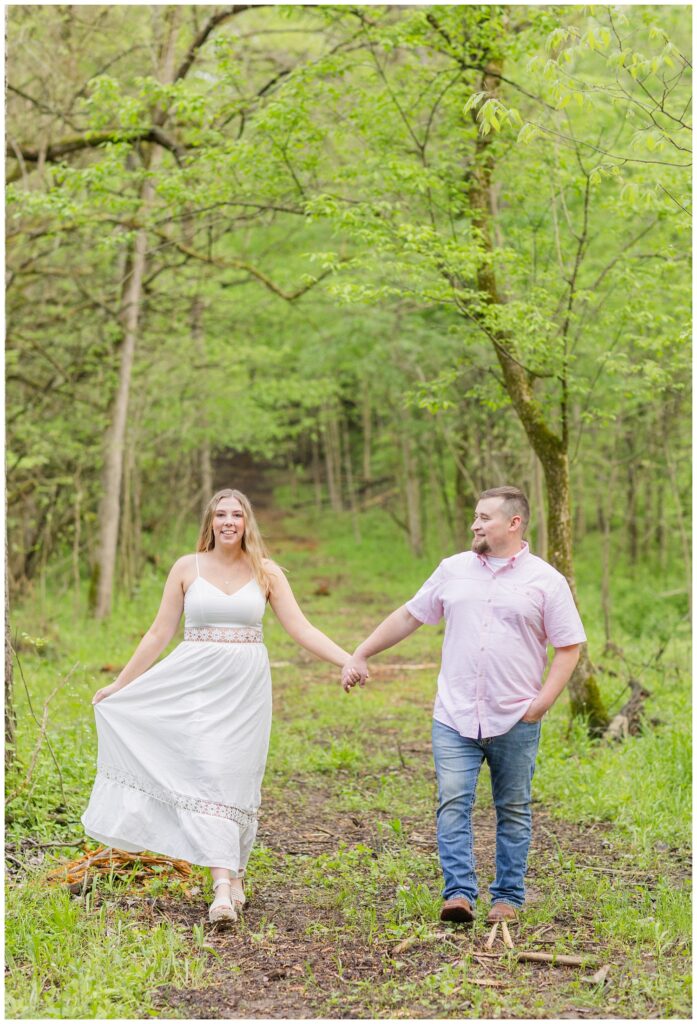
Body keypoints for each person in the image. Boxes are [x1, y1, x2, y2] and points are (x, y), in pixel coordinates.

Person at [83, 488, 362, 927]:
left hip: (245, 690)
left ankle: (235, 874)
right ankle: (220, 889)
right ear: (210, 523)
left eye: (236, 514)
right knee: (208, 772)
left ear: (247, 522)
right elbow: (158, 632)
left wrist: (347, 658)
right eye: (220, 515)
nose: (228, 521)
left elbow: (300, 627)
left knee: (236, 778)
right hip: (193, 686)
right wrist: (121, 682)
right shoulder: (186, 568)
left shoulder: (267, 573)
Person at [341, 486, 585, 925]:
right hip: (454, 715)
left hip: (515, 716)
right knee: (453, 801)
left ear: (514, 523)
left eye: (484, 517)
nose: (475, 524)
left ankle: (507, 898)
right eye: (475, 516)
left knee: (513, 808)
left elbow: (569, 647)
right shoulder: (453, 570)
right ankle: (458, 894)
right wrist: (360, 652)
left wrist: (540, 705)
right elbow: (409, 615)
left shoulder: (545, 580)